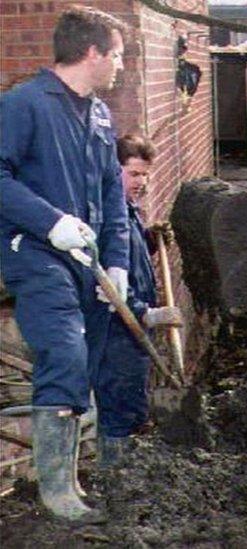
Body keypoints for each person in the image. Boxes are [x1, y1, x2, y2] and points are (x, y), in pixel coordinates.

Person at [0, 6, 130, 523]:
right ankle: (58, 493)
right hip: (35, 252)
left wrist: (117, 263)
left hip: (88, 260)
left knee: (91, 359)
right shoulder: (23, 106)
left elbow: (112, 197)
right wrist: (49, 220)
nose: (121, 65)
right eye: (117, 55)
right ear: (92, 53)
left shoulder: (99, 115)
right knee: (64, 350)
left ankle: (74, 474)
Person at [88, 135, 182, 468]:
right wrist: (148, 314)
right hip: (115, 335)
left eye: (145, 175)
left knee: (132, 407)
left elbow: (131, 263)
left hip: (133, 338)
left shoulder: (128, 213)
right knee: (120, 413)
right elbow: (106, 281)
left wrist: (149, 240)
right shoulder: (102, 221)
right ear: (114, 173)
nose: (141, 182)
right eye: (133, 174)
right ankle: (116, 483)